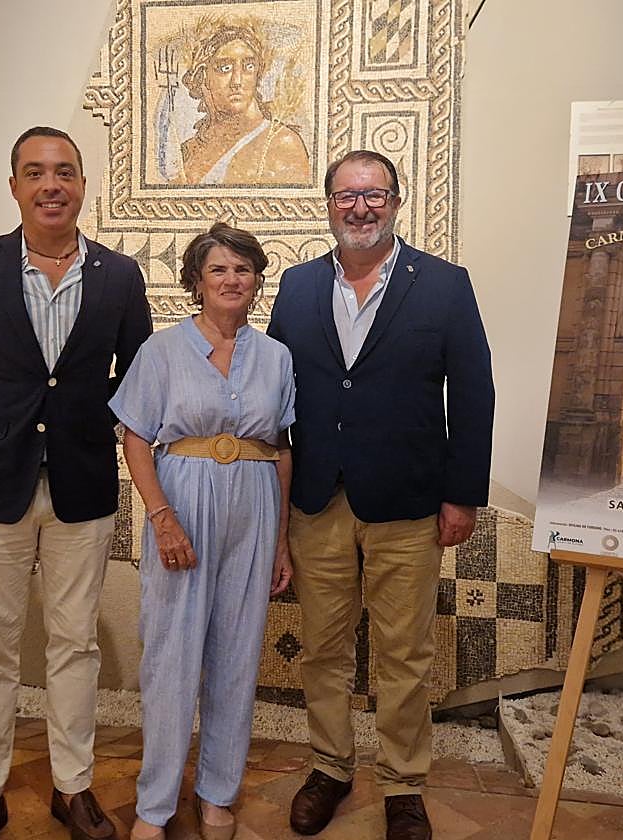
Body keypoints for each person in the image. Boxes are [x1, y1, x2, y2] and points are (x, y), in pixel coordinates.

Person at [0, 126, 152, 840]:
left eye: (66, 172)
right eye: (36, 172)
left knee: (74, 643)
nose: (52, 185)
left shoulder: (119, 275)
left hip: (81, 486)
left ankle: (71, 788)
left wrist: (83, 422)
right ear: (14, 185)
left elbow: (138, 378)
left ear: (83, 185)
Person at [266, 150, 494, 840]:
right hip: (318, 499)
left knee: (404, 655)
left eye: (374, 195)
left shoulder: (446, 285)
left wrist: (463, 495)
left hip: (408, 502)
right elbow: (276, 391)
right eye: (346, 196)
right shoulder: (298, 286)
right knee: (323, 650)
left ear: (396, 201)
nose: (360, 208)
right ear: (329, 203)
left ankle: (402, 786)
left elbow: (474, 392)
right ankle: (330, 769)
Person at [108, 222, 296, 840]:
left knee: (237, 658)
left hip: (256, 508)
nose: (232, 280)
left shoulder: (276, 356)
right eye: (219, 269)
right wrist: (162, 518)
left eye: (243, 269)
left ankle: (217, 794)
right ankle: (154, 805)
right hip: (182, 506)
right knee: (171, 658)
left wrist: (283, 539)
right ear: (196, 282)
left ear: (257, 280)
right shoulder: (161, 351)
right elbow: (137, 438)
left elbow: (282, 446)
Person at [176, 21, 310, 185]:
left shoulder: (282, 143)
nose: (237, 81)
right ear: (204, 77)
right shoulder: (187, 151)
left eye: (249, 66)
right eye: (225, 68)